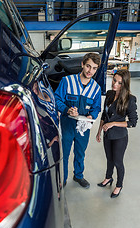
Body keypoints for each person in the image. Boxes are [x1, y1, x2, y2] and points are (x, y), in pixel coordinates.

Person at [55, 53, 101, 188]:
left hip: (83, 127)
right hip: (67, 124)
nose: (90, 71)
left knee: (80, 152)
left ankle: (78, 176)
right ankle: (62, 179)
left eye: (94, 68)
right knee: (64, 152)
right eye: (88, 66)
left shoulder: (96, 88)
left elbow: (96, 107)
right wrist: (67, 109)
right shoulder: (67, 81)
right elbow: (57, 99)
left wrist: (91, 116)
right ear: (82, 64)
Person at [96, 69, 138, 198]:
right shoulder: (109, 94)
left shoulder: (130, 99)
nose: (115, 84)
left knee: (118, 162)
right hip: (107, 134)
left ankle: (119, 185)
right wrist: (99, 131)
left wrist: (113, 124)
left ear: (124, 84)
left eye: (119, 83)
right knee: (109, 159)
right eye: (114, 80)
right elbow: (104, 114)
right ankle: (108, 178)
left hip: (119, 136)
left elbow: (133, 122)